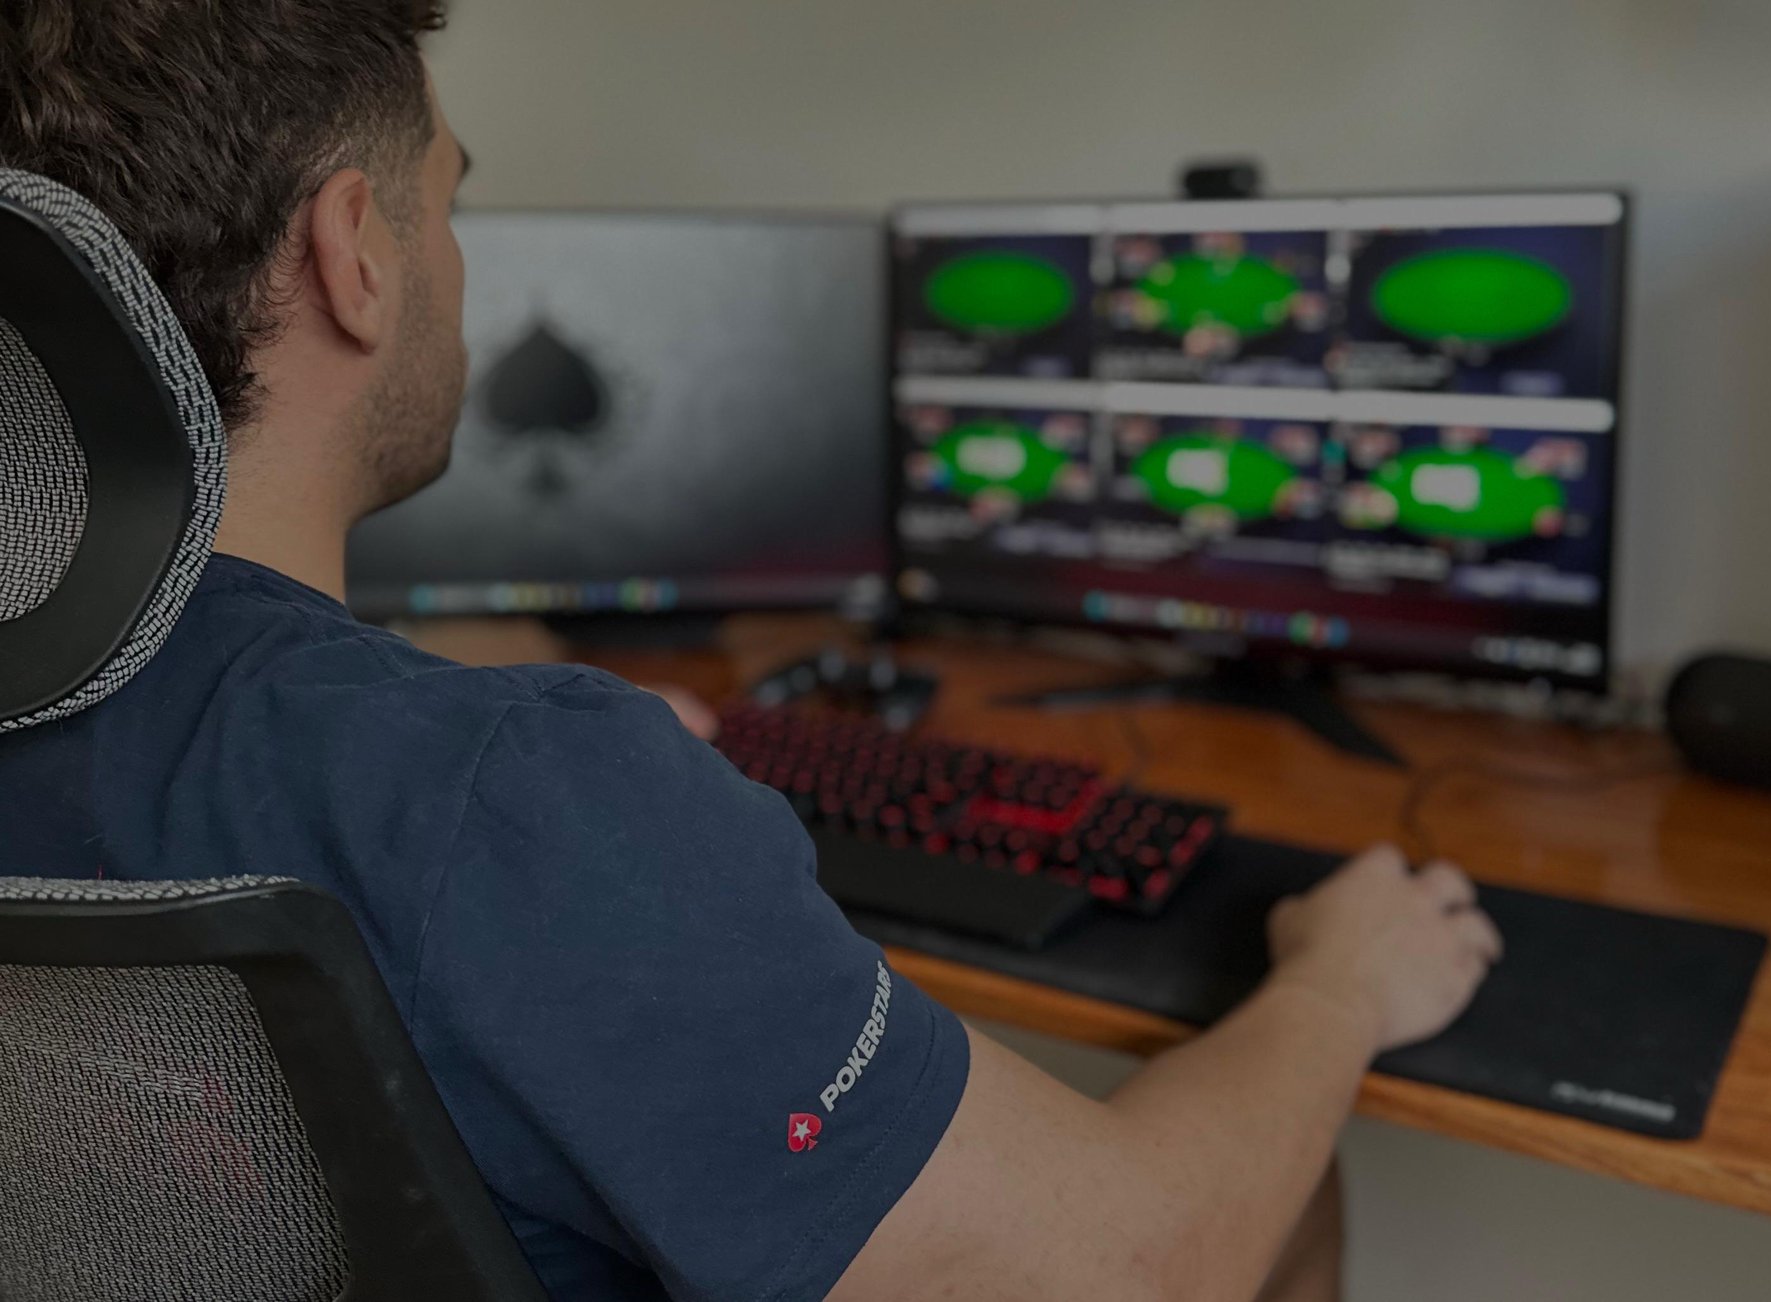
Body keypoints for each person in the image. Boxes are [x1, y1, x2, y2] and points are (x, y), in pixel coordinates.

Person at [0, 4, 1501, 1300]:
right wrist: (1342, 986)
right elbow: (1127, 1268)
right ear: (356, 256)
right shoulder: (508, 794)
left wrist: (553, 790)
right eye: (446, 209)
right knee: (1278, 1174)